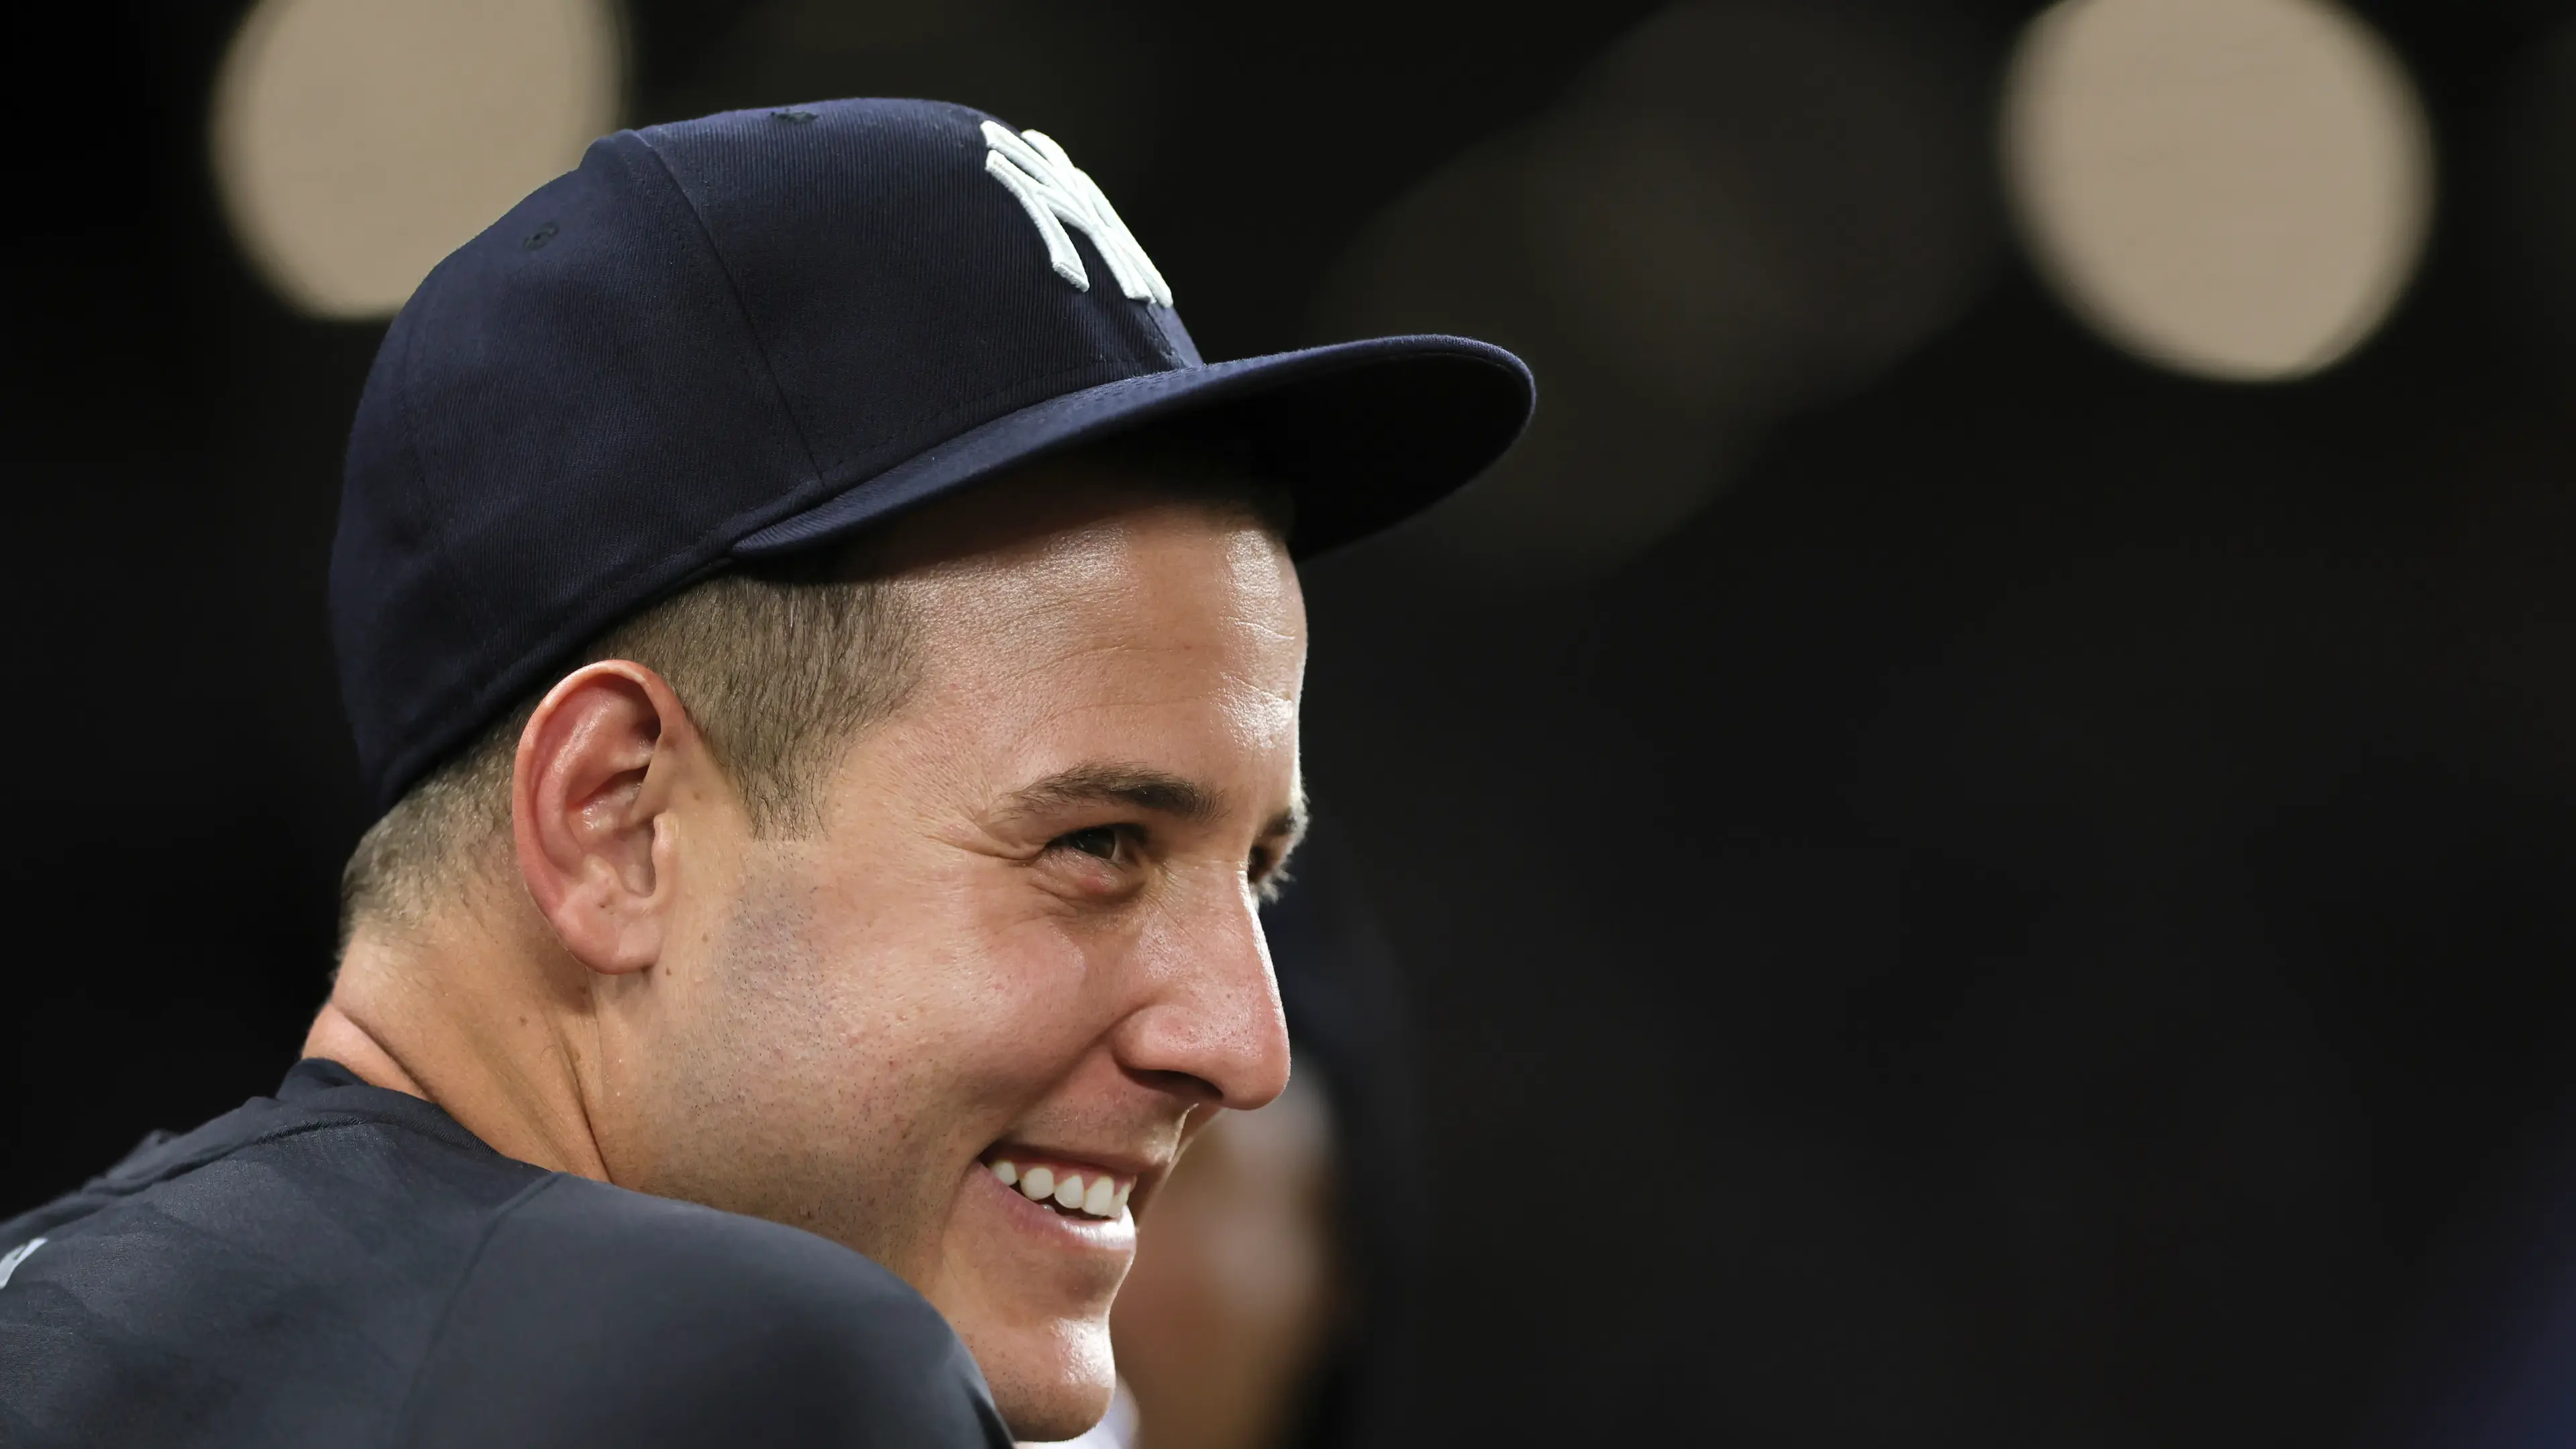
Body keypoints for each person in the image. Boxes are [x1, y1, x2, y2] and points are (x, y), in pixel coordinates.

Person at [0, 98, 1528, 1447]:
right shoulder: (752, 1371)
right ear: (616, 823)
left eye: (1260, 875)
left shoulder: (68, 1311)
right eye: (1104, 843)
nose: (1247, 1048)